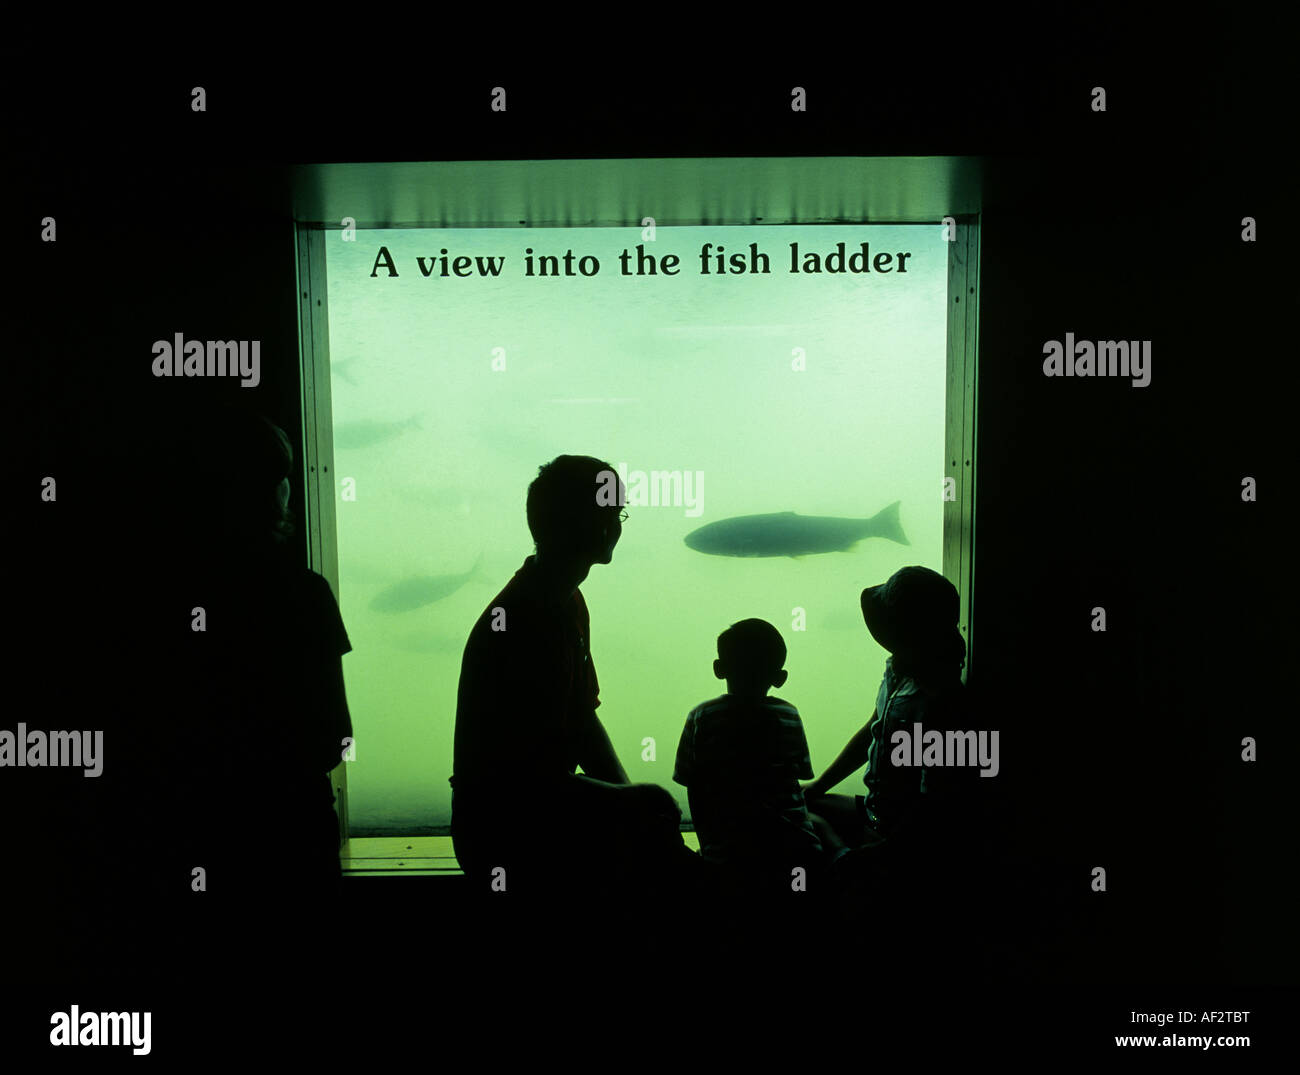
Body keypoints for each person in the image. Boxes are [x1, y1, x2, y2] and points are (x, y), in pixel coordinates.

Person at [450, 455, 694, 911]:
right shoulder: (528, 618)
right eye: (614, 512)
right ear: (588, 522)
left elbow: (581, 720)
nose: (618, 525)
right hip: (504, 834)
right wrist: (631, 802)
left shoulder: (563, 601)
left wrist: (627, 799)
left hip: (526, 817)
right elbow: (528, 781)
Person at [802, 566, 972, 876]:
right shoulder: (897, 673)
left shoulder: (945, 705)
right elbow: (873, 730)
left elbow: (933, 802)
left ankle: (844, 861)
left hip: (904, 838)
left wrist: (881, 851)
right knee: (802, 810)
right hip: (875, 813)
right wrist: (816, 787)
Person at [672, 619, 828, 902]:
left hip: (730, 858)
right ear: (780, 677)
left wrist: (710, 847)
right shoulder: (789, 716)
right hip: (795, 852)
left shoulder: (701, 717)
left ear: (719, 669)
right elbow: (799, 777)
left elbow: (692, 784)